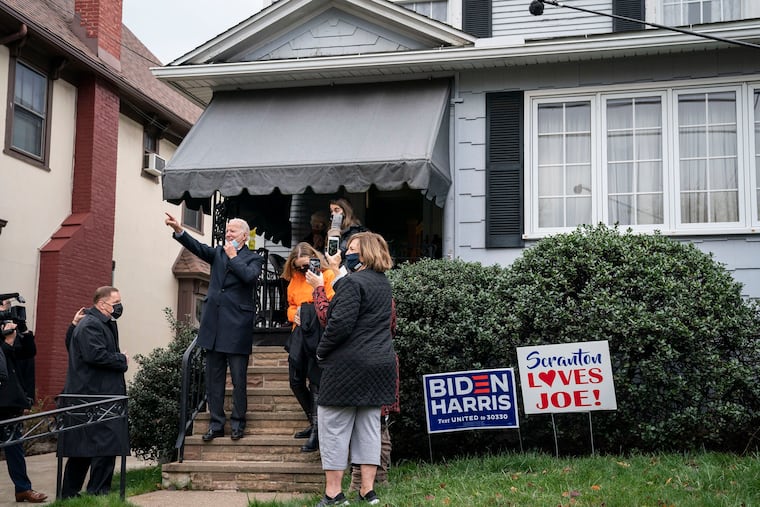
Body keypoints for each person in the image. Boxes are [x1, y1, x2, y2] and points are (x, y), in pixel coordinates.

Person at [313, 232, 397, 506]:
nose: (347, 252)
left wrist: (321, 350)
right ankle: (367, 491)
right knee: (369, 429)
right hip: (380, 364)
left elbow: (339, 325)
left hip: (347, 366)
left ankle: (334, 493)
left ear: (365, 254)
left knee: (334, 427)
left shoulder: (352, 284)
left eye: (351, 249)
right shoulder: (383, 284)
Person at [165, 212, 264, 441]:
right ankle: (216, 424)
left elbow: (249, 278)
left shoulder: (253, 258)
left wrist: (234, 257)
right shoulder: (218, 252)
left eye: (232, 231)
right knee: (213, 380)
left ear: (244, 235)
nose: (227, 234)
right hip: (214, 327)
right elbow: (198, 247)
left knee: (239, 380)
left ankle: (238, 423)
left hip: (237, 327)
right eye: (227, 230)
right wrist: (179, 229)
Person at [59, 286, 129, 499]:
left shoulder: (97, 323)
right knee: (102, 449)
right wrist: (121, 360)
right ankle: (96, 493)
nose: (119, 306)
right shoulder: (91, 325)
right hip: (95, 397)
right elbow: (95, 355)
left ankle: (71, 496)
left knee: (88, 450)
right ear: (101, 304)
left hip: (97, 396)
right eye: (115, 303)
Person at [282, 243, 336, 452]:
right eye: (299, 267)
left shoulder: (327, 274)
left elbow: (331, 301)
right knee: (295, 380)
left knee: (315, 381)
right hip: (299, 330)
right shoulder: (295, 279)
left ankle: (317, 431)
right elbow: (291, 304)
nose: (303, 271)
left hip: (318, 330)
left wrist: (316, 286)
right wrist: (292, 315)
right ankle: (313, 422)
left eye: (306, 266)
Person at [0, 319, 47, 503]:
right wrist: (6, 343)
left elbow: (28, 353)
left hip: (9, 402)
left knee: (15, 448)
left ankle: (23, 489)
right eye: (5, 305)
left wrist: (24, 331)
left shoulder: (10, 333)